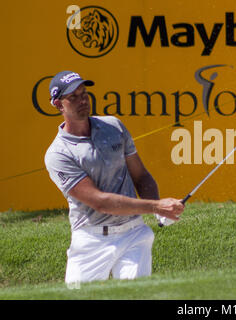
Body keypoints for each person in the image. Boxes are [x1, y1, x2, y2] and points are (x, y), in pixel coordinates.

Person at [44, 71, 184, 285]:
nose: (82, 100)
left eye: (84, 93)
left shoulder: (113, 126)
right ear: (58, 105)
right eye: (73, 97)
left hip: (134, 234)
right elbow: (100, 202)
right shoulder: (58, 154)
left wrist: (158, 211)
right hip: (90, 239)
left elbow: (141, 176)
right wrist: (156, 206)